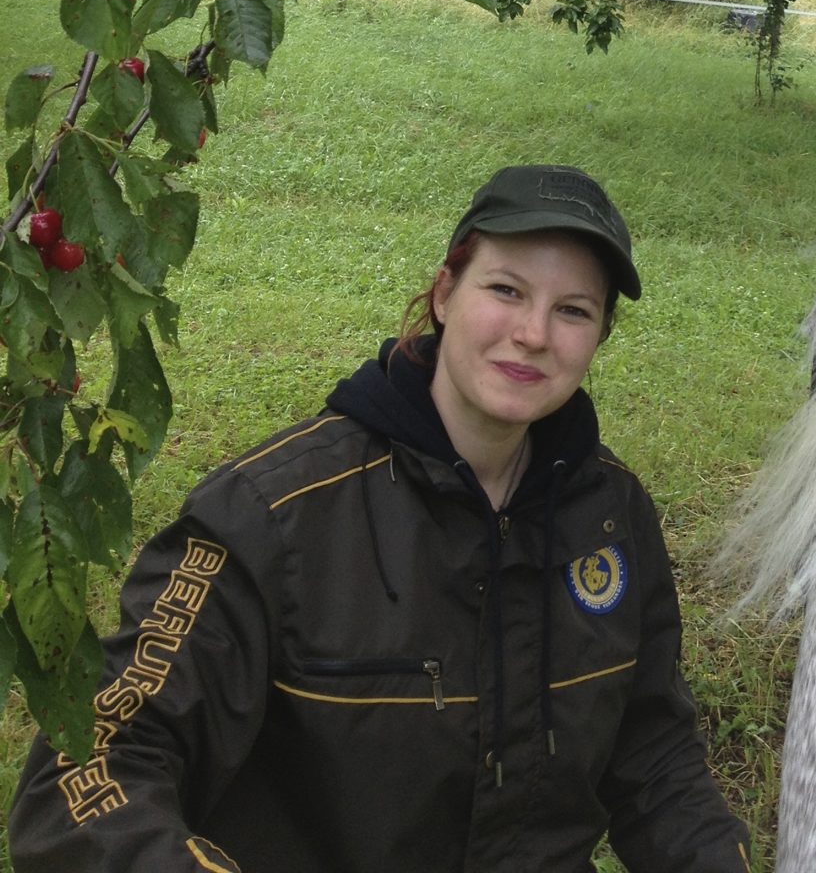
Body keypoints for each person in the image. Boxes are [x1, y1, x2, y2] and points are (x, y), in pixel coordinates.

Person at [8, 164, 752, 873]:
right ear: (443, 294)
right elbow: (87, 766)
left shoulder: (611, 516)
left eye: (573, 311)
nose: (533, 333)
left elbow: (653, 759)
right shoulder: (271, 517)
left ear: (598, 338)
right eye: (506, 289)